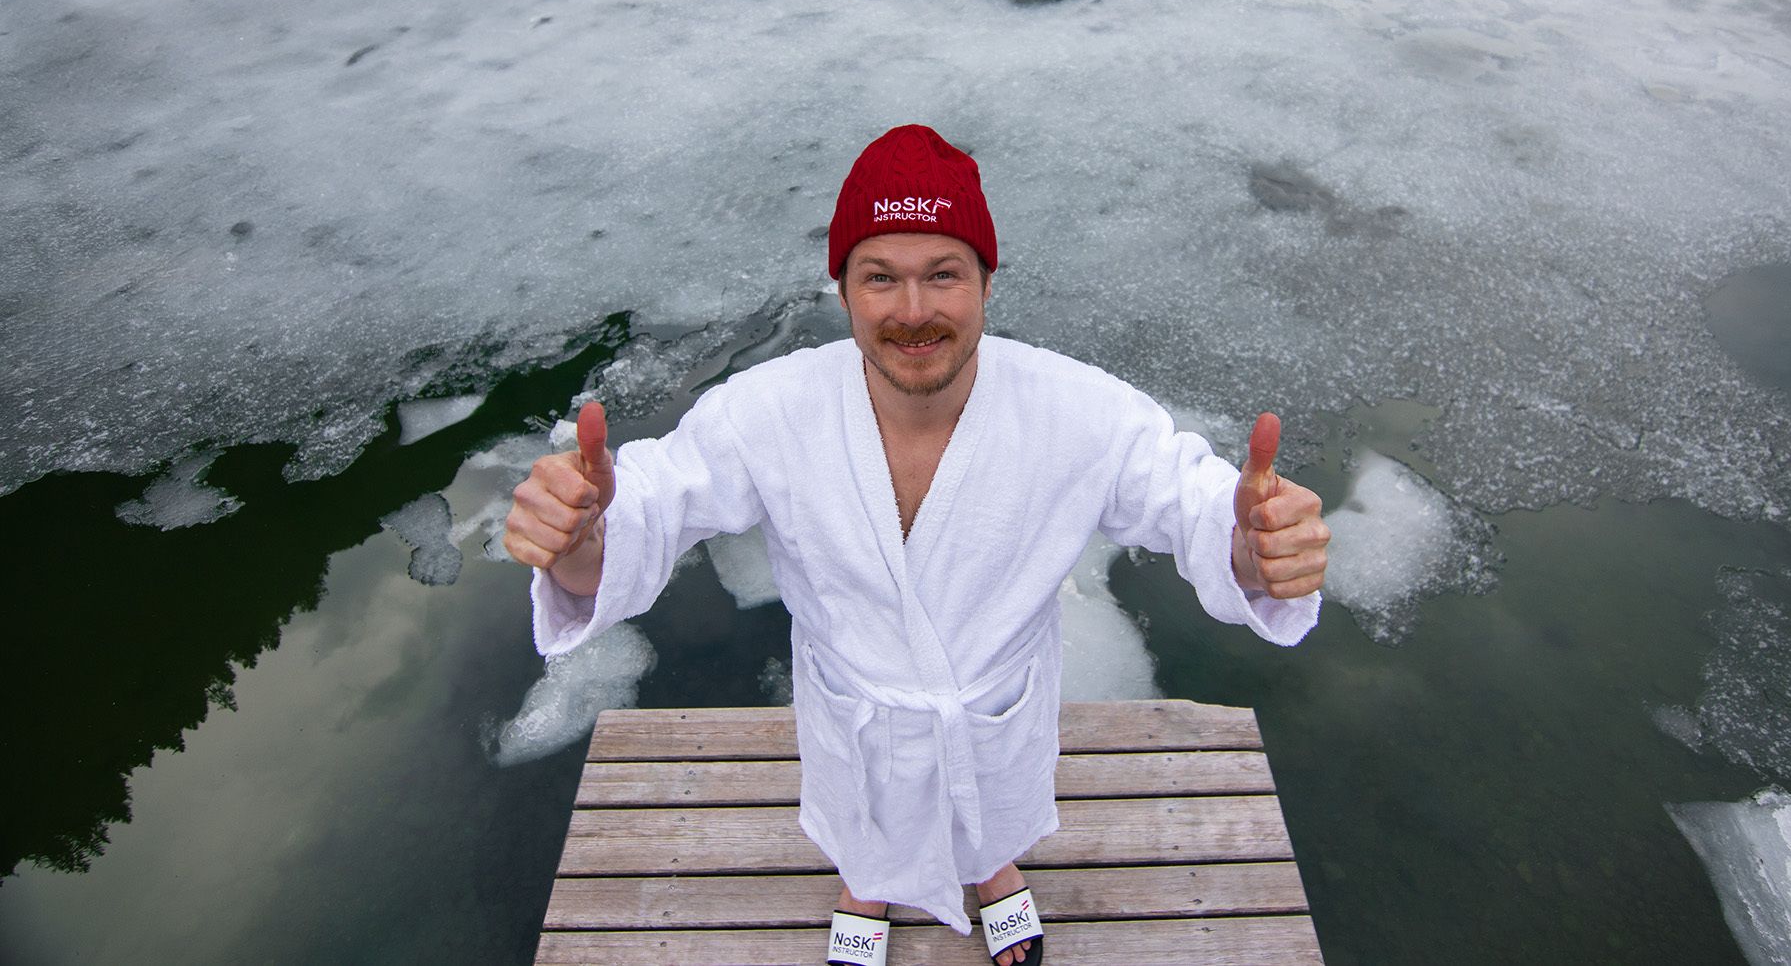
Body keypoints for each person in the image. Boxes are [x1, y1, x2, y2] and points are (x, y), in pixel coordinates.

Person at [504, 124, 1330, 966]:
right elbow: (648, 506)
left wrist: (1250, 547)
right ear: (842, 291)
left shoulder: (1079, 410)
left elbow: (1191, 500)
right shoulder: (769, 411)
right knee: (867, 829)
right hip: (856, 711)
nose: (912, 311)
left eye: (943, 274)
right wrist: (580, 538)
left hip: (994, 715)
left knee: (993, 812)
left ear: (987, 281)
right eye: (880, 278)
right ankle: (867, 879)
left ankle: (991, 866)